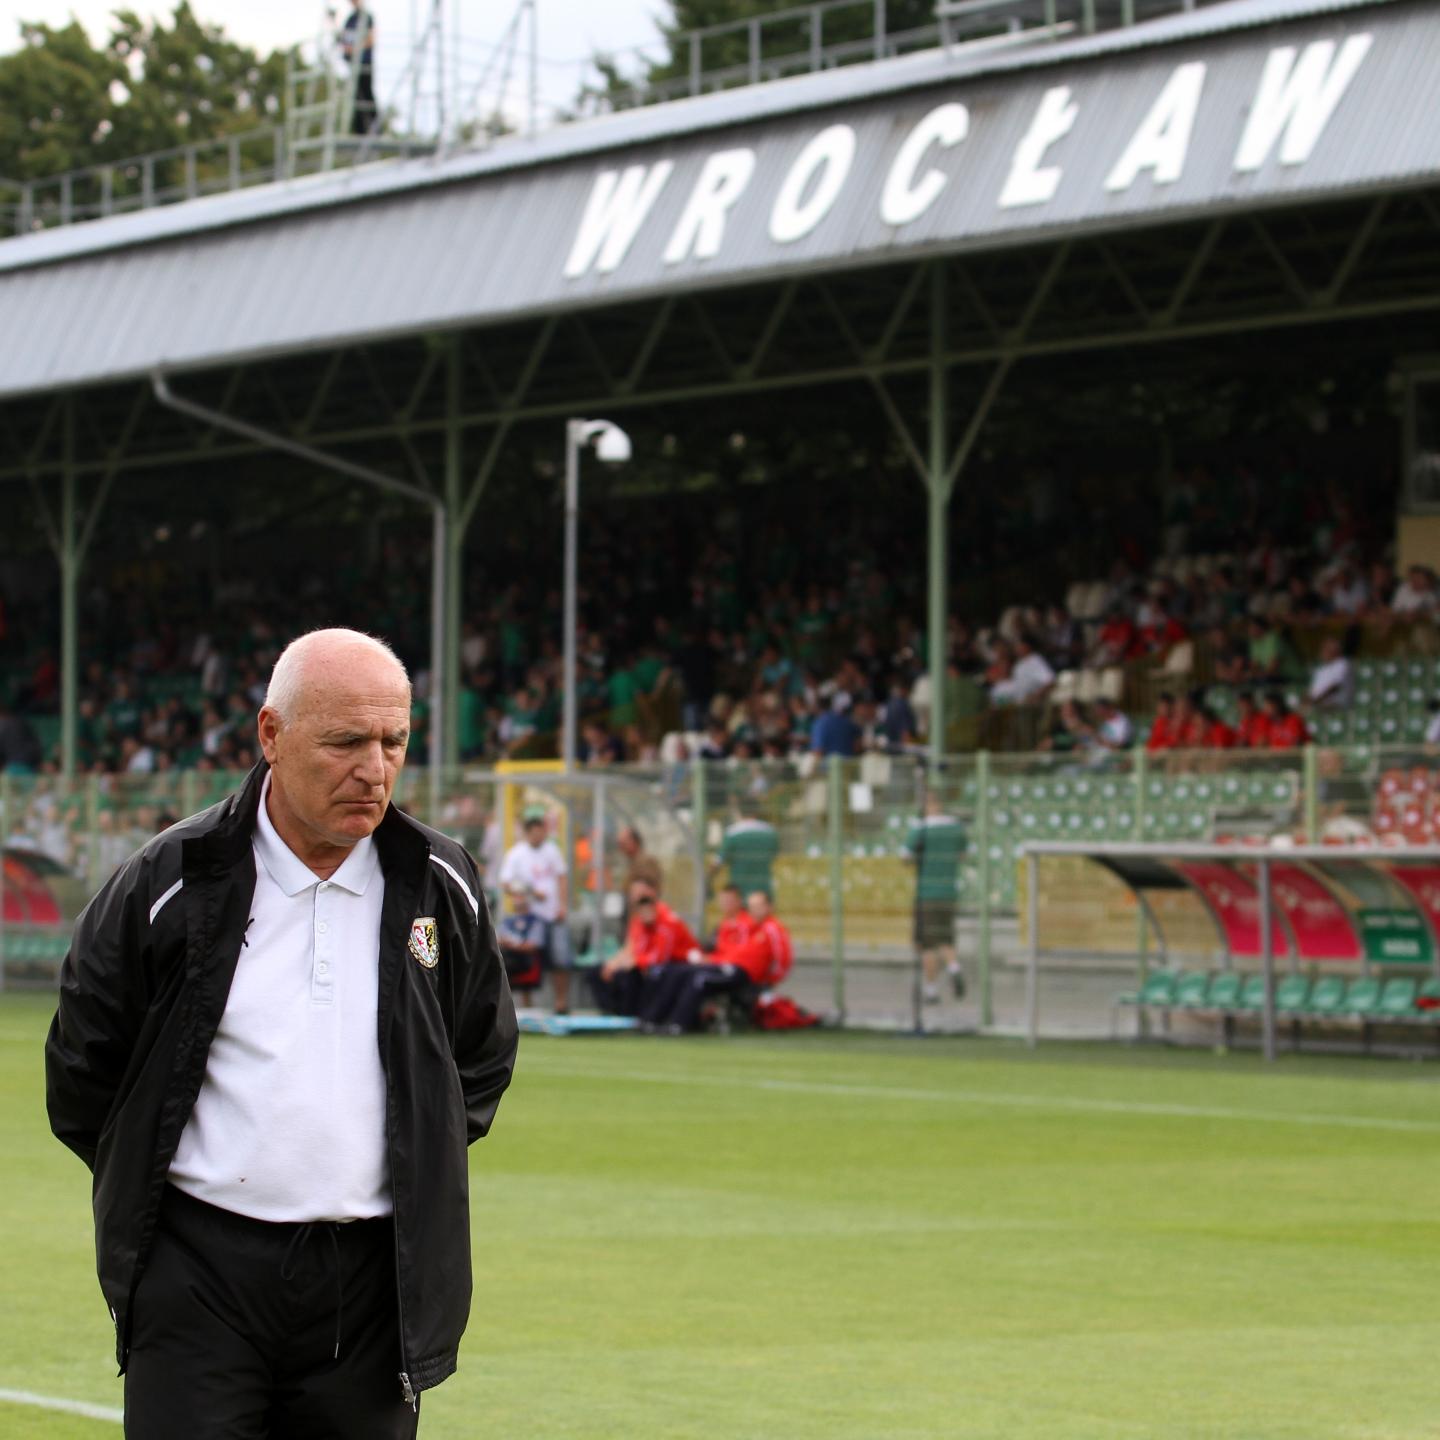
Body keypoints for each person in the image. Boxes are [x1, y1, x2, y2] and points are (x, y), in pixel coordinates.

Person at [44, 628, 518, 1438]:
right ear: (272, 735)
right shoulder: (169, 880)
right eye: (344, 742)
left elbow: (478, 1058)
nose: (373, 770)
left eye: (393, 741)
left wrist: (403, 1156)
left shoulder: (441, 885)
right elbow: (84, 1071)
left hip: (371, 1289)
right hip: (196, 1279)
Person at [641, 889, 793, 1034]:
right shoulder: (746, 926)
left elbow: (780, 958)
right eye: (752, 906)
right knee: (678, 971)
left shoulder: (768, 927)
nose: (754, 910)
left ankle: (678, 1024)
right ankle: (653, 1019)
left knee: (699, 979)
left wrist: (768, 981)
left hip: (739, 972)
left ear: (769, 907)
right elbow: (736, 953)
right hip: (726, 966)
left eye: (758, 906)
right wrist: (711, 959)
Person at [498, 805, 572, 1014]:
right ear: (528, 831)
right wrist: (529, 892)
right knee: (520, 960)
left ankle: (561, 1003)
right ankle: (522, 1004)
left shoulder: (552, 850)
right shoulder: (516, 854)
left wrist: (562, 905)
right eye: (535, 829)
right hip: (528, 917)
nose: (539, 834)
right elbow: (506, 883)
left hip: (551, 914)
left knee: (560, 958)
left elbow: (562, 877)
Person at [589, 881, 702, 1017]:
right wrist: (613, 965)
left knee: (630, 975)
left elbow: (660, 957)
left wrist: (634, 962)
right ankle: (613, 1013)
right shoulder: (639, 920)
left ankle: (631, 1016)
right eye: (633, 893)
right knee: (596, 972)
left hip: (677, 964)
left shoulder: (667, 921)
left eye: (640, 892)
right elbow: (632, 947)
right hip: (649, 964)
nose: (636, 896)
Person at [905, 792, 967, 1003]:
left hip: (927, 893)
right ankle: (953, 967)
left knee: (927, 945)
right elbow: (963, 855)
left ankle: (930, 990)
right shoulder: (956, 828)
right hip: (949, 892)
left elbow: (906, 856)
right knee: (946, 939)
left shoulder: (921, 828)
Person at [497, 884, 546, 1007]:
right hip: (507, 955)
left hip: (525, 960)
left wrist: (513, 945)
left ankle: (505, 1007)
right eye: (515, 895)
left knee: (502, 965)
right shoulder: (507, 920)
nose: (517, 899)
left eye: (521, 895)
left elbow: (533, 945)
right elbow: (497, 939)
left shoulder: (535, 920)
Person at [718, 804, 780, 901]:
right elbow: (774, 855)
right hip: (763, 887)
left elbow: (720, 860)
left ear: (739, 812)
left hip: (739, 889)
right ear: (757, 812)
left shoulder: (732, 833)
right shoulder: (770, 832)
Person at [340, 0, 378, 136]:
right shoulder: (350, 19)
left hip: (364, 63)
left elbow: (371, 39)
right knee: (356, 96)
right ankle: (359, 130)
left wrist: (356, 49)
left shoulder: (366, 17)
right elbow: (343, 40)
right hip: (353, 65)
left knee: (367, 94)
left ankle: (375, 127)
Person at [1307, 635, 1354, 710]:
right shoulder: (1321, 669)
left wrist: (1316, 701)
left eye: (1326, 648)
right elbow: (1312, 692)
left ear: (1335, 650)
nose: (1323, 652)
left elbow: (1335, 687)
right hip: (1320, 705)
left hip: (1337, 707)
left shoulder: (1343, 664)